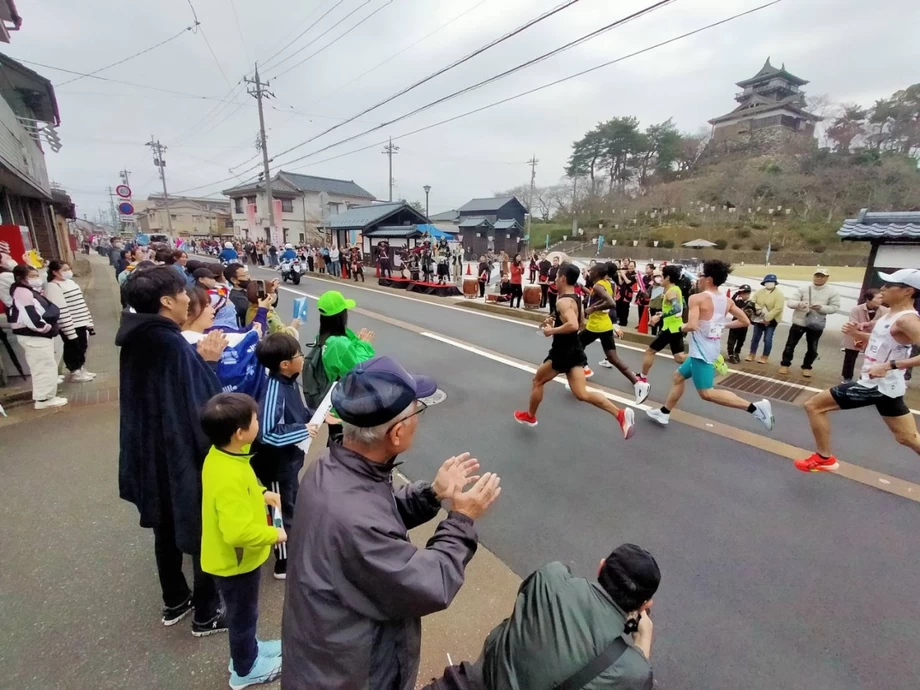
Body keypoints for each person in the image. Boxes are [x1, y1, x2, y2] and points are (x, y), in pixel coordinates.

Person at [281, 355, 502, 690]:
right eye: (417, 412)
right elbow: (431, 582)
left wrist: (431, 494)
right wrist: (462, 519)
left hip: (324, 655)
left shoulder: (333, 466)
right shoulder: (354, 515)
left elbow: (376, 515)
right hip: (352, 674)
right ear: (396, 433)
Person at [117, 266, 229, 636]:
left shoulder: (137, 338)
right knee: (200, 530)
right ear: (167, 301)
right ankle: (207, 613)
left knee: (164, 526)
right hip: (181, 451)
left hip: (149, 451)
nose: (188, 299)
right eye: (182, 293)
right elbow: (204, 406)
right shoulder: (172, 345)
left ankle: (175, 600)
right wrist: (210, 363)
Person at [473, 544, 659, 690]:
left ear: (601, 567)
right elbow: (637, 680)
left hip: (477, 680)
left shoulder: (551, 577)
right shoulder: (633, 670)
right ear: (645, 605)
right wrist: (643, 641)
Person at [199, 393, 285, 688]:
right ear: (239, 433)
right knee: (243, 615)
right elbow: (236, 532)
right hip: (235, 563)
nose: (258, 423)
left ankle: (249, 650)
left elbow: (242, 492)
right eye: (255, 420)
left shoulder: (225, 454)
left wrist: (262, 493)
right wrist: (275, 534)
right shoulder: (228, 472)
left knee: (244, 613)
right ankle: (245, 669)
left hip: (235, 559)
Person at [799, 269, 920, 472]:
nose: (882, 289)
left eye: (889, 286)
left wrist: (889, 366)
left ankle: (824, 458)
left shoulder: (907, 320)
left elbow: (895, 358)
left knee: (814, 406)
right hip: (888, 387)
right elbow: (880, 342)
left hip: (876, 385)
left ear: (908, 291)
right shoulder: (890, 314)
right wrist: (856, 333)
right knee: (907, 438)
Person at [646, 260, 774, 430]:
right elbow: (745, 321)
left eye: (701, 275)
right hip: (708, 348)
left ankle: (756, 408)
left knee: (706, 393)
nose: (698, 278)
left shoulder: (697, 298)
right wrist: (722, 325)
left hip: (701, 352)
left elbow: (691, 325)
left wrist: (681, 327)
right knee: (678, 376)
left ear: (709, 279)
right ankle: (664, 412)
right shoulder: (727, 300)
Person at [514, 263, 635, 439]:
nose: (555, 279)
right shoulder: (576, 297)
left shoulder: (563, 301)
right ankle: (620, 414)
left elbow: (573, 324)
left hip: (562, 352)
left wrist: (551, 331)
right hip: (575, 349)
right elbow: (581, 323)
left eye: (557, 276)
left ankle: (530, 416)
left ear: (562, 278)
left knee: (537, 381)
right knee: (581, 393)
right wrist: (556, 320)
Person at [250, 333, 317, 580]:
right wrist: (303, 429)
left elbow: (296, 412)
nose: (302, 358)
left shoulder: (289, 382)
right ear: (285, 365)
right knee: (280, 509)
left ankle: (292, 544)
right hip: (275, 465)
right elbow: (266, 434)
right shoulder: (275, 389)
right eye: (299, 355)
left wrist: (313, 416)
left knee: (291, 503)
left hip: (288, 462)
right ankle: (283, 561)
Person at [579, 263, 650, 404]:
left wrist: (592, 309)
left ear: (598, 273)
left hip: (597, 325)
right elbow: (604, 299)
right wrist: (591, 303)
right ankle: (638, 384)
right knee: (612, 358)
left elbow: (611, 303)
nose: (589, 272)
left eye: (592, 270)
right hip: (605, 324)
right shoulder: (606, 283)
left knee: (576, 345)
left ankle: (581, 372)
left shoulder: (599, 285)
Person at [182, 286, 270, 397]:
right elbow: (246, 337)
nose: (213, 310)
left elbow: (244, 334)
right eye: (207, 306)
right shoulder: (216, 340)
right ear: (187, 312)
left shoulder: (179, 342)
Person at [8, 264, 66, 408]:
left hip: (37, 335)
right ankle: (44, 399)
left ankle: (46, 396)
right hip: (34, 335)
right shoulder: (23, 292)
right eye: (32, 276)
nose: (36, 278)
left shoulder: (26, 290)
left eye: (36, 275)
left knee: (46, 364)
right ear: (21, 277)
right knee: (43, 366)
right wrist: (45, 327)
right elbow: (30, 315)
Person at [778, 268, 841, 378]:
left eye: (822, 276)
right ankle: (785, 364)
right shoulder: (803, 288)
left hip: (816, 323)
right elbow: (790, 302)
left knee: (812, 347)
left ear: (827, 278)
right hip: (799, 322)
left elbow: (835, 307)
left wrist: (821, 308)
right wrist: (799, 304)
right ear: (813, 276)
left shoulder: (832, 292)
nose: (819, 278)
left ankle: (807, 367)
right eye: (817, 275)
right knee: (790, 345)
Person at [45, 260, 97, 383]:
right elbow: (61, 310)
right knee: (73, 347)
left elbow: (81, 303)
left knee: (82, 346)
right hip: (70, 324)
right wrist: (69, 329)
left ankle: (81, 368)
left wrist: (88, 321)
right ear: (55, 272)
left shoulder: (71, 283)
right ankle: (75, 371)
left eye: (69, 269)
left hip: (81, 321)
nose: (68, 272)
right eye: (64, 270)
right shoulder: (53, 286)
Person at [637, 265, 687, 385]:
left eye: (661, 276)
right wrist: (662, 312)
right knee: (679, 357)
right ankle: (705, 361)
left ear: (668, 277)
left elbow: (677, 308)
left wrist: (659, 316)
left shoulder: (671, 291)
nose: (660, 279)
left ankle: (642, 377)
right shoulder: (676, 289)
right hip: (675, 327)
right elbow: (677, 308)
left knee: (650, 351)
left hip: (670, 328)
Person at [841, 288, 887, 383]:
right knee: (850, 357)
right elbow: (853, 322)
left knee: (873, 358)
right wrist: (858, 325)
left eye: (882, 298)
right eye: (878, 298)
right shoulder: (856, 309)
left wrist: (870, 324)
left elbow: (884, 324)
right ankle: (847, 377)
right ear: (868, 299)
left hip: (873, 338)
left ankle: (866, 378)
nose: (881, 300)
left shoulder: (885, 311)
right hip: (855, 337)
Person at [746, 274, 784, 363]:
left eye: (771, 282)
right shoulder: (759, 292)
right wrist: (758, 309)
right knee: (755, 337)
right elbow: (752, 301)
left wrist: (767, 318)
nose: (769, 283)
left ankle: (765, 356)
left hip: (771, 320)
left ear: (775, 283)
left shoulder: (779, 294)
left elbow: (778, 308)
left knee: (767, 339)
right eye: (767, 282)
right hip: (758, 318)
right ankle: (752, 353)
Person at [726, 284, 753, 363]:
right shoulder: (737, 302)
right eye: (744, 294)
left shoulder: (750, 303)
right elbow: (731, 301)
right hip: (735, 323)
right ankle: (730, 354)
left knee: (741, 340)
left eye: (748, 294)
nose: (746, 296)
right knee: (732, 339)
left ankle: (737, 353)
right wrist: (736, 294)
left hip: (744, 325)